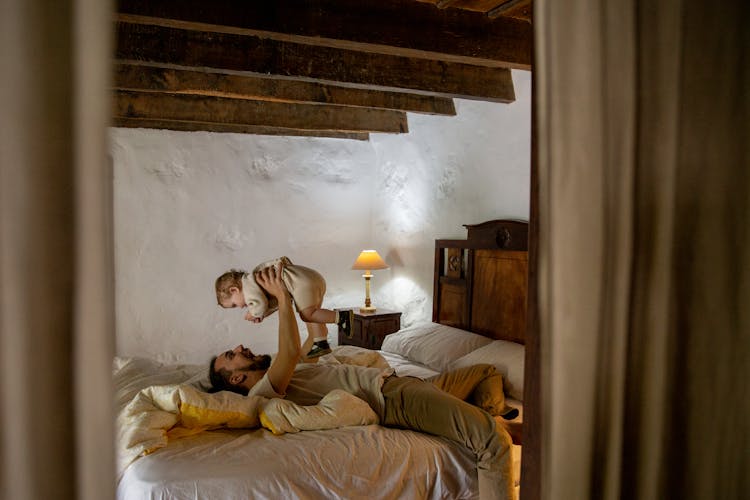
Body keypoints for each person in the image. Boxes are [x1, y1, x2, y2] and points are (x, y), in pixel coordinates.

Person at [209, 262, 515, 500]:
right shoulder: (264, 390)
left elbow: (317, 345)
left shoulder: (281, 370)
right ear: (236, 377)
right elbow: (290, 351)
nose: (239, 347)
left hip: (402, 382)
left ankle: (490, 409)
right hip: (395, 398)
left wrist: (302, 305)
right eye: (231, 354)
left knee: (486, 370)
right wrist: (280, 298)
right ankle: (489, 420)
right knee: (492, 441)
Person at [215, 256, 353, 359]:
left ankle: (341, 317)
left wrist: (254, 314)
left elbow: (261, 304)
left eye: (234, 305)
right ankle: (321, 342)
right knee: (314, 314)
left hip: (301, 283)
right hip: (310, 278)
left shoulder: (248, 287)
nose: (239, 307)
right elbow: (275, 303)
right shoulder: (255, 282)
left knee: (307, 315)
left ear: (234, 290)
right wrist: (263, 314)